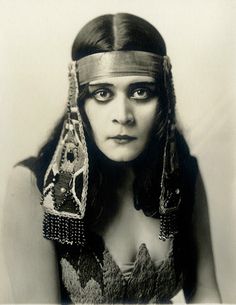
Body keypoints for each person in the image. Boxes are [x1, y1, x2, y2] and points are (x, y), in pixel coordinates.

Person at [1, 13, 221, 303]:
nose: (123, 116)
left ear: (164, 99)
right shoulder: (33, 185)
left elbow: (206, 293)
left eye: (141, 92)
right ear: (78, 102)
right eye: (103, 93)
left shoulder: (181, 172)